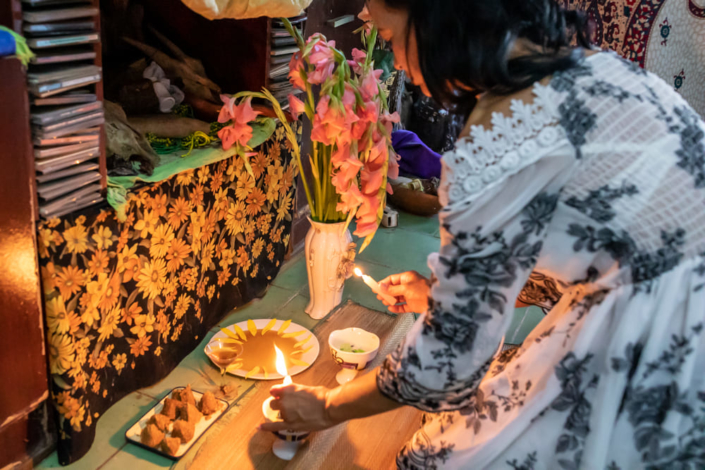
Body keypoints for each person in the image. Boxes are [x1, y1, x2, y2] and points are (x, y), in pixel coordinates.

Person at [260, 0, 705, 468]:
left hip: (660, 345)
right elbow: (607, 240)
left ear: (435, 18)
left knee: (438, 457)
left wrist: (325, 407)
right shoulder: (600, 68)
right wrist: (444, 294)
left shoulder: (497, 140)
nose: (406, 72)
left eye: (391, 40)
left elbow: (449, 363)